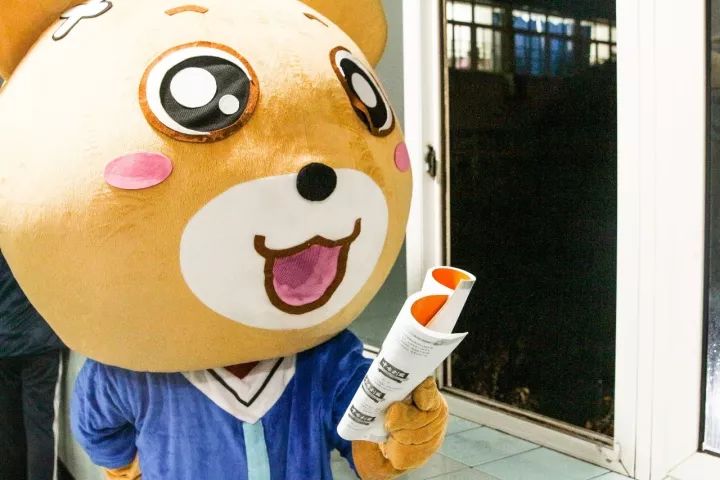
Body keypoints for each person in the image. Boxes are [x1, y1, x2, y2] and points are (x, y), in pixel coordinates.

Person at [0, 251, 64, 480]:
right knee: (40, 426)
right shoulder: (40, 232)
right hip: (41, 343)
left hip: (4, 343)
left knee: (7, 426)